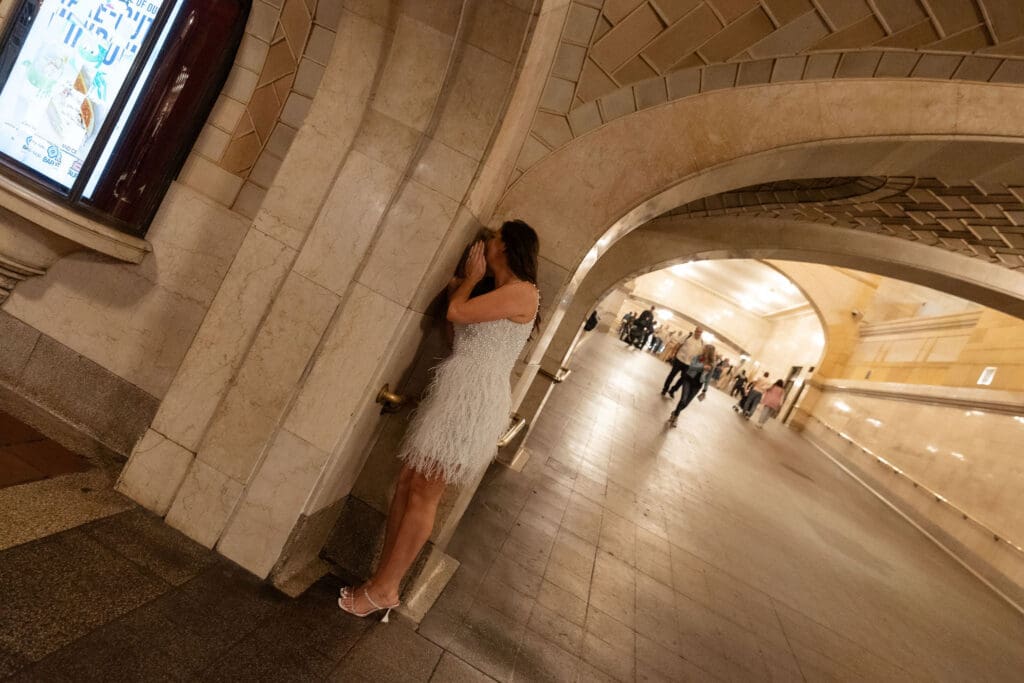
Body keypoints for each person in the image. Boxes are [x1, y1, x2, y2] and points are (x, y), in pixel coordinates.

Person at [338, 220, 541, 621]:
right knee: (408, 484)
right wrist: (466, 286)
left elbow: (455, 310)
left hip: (475, 401)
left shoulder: (522, 292)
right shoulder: (496, 293)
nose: (486, 244)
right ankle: (381, 581)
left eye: (494, 239)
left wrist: (467, 281)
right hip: (455, 392)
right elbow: (457, 336)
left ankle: (386, 590)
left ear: (507, 248)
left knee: (426, 492)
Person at [668, 343, 715, 427]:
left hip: (697, 384)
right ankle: (675, 417)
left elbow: (708, 378)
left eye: (705, 349)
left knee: (686, 404)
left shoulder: (712, 364)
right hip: (688, 379)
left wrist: (705, 389)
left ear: (709, 352)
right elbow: (691, 367)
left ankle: (675, 413)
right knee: (683, 399)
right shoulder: (698, 357)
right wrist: (702, 367)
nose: (703, 350)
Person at [662, 326, 703, 398]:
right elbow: (678, 345)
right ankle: (665, 389)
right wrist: (672, 354)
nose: (698, 333)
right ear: (695, 330)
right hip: (679, 359)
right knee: (672, 375)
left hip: (689, 364)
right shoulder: (688, 336)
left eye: (700, 332)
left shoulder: (702, 342)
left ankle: (673, 390)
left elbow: (700, 355)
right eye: (697, 331)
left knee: (683, 379)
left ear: (701, 333)